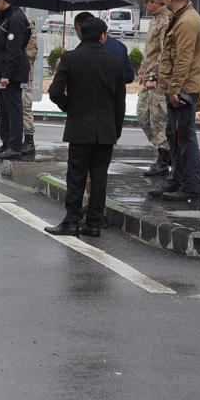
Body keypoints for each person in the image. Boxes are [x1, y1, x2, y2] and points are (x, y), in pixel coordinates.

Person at [45, 17, 126, 236]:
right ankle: (93, 223)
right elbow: (120, 103)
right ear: (102, 36)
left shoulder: (70, 59)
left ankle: (72, 220)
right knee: (100, 177)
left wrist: (71, 107)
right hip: (106, 129)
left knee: (76, 175)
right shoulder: (116, 63)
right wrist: (115, 129)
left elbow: (54, 92)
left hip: (80, 127)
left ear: (81, 33)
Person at [148, 0, 200, 202]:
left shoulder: (187, 22)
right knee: (175, 136)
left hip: (183, 89)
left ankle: (190, 187)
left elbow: (183, 59)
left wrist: (174, 89)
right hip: (178, 87)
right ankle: (176, 182)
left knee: (184, 139)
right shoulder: (181, 18)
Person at [0, 0, 31, 160]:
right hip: (2, 70)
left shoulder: (15, 18)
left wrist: (6, 74)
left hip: (11, 74)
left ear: (3, 0)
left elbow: (13, 49)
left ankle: (14, 146)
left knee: (13, 110)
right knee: (2, 109)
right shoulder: (5, 17)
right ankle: (6, 143)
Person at [135, 0, 172, 177]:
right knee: (143, 116)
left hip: (157, 79)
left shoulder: (165, 20)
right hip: (147, 75)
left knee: (158, 118)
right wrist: (143, 71)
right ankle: (165, 152)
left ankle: (164, 158)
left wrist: (154, 75)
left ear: (155, 3)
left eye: (147, 1)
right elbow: (151, 50)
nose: (145, 4)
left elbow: (165, 52)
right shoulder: (155, 19)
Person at [74, 12, 134, 83]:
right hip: (114, 92)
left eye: (76, 30)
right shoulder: (120, 46)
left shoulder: (78, 52)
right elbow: (129, 76)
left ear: (81, 30)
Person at [20, 19, 38, 156]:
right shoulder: (9, 18)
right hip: (14, 73)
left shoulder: (27, 21)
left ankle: (29, 140)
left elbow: (31, 53)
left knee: (25, 106)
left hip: (24, 73)